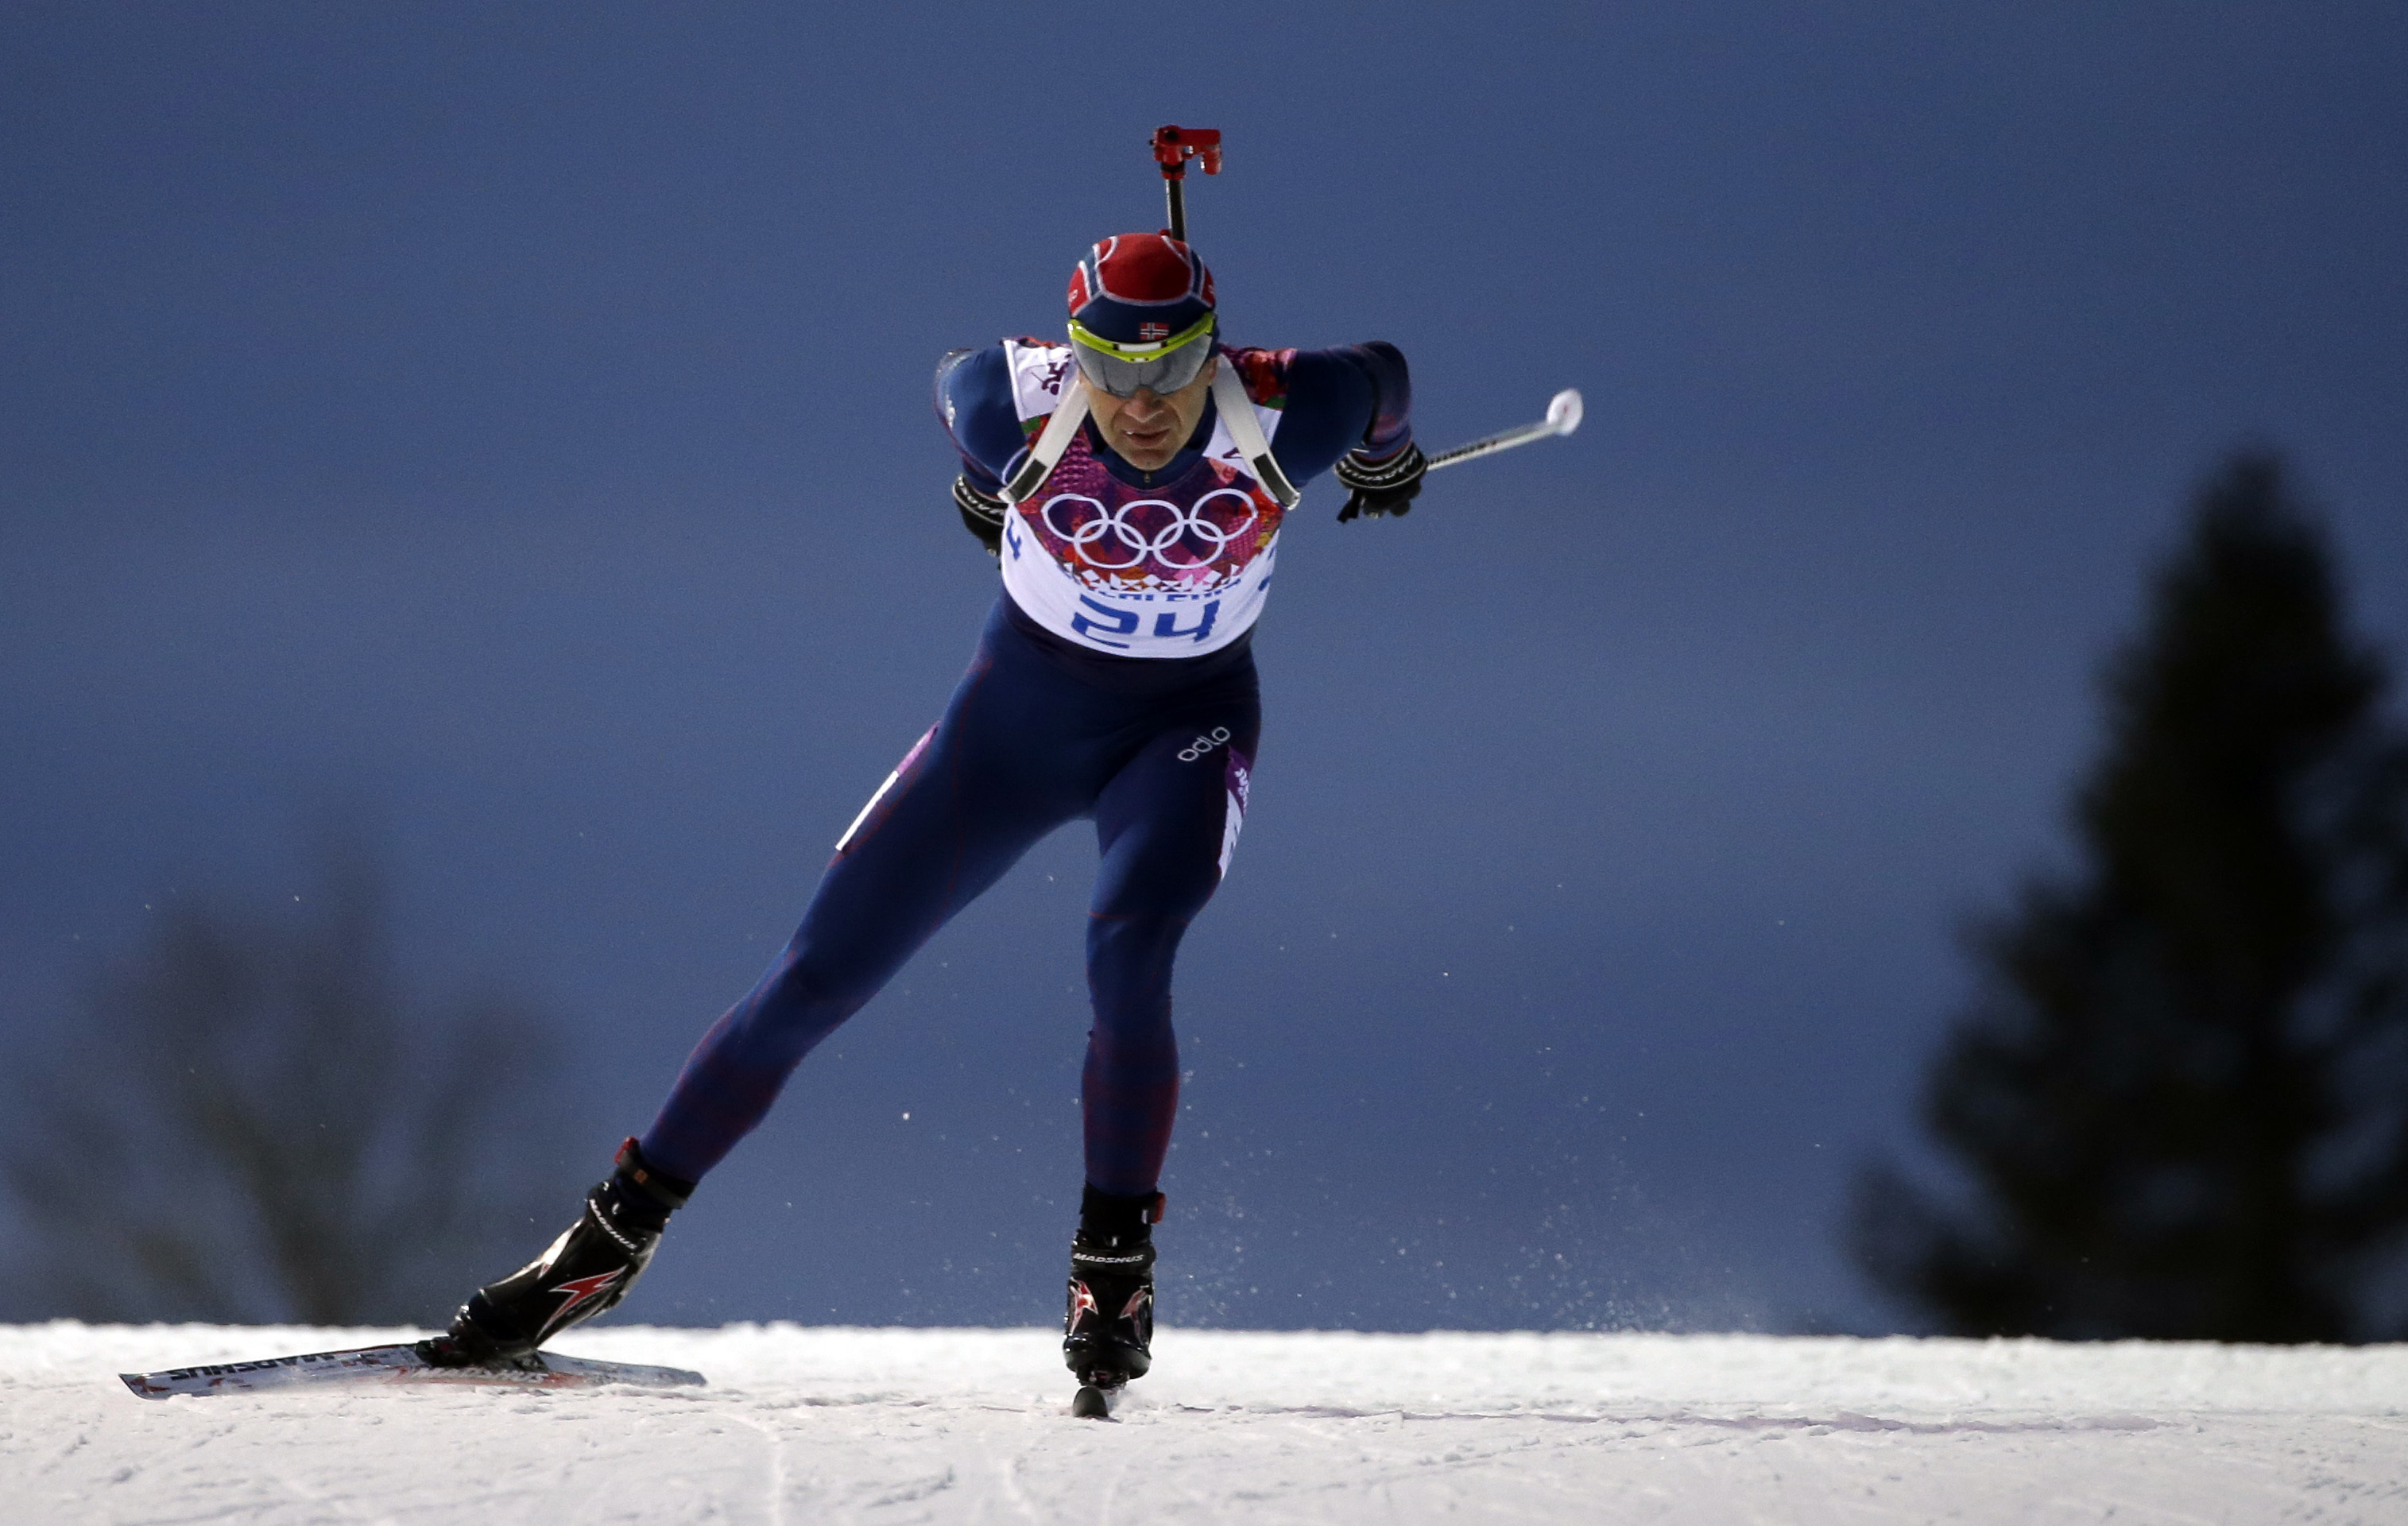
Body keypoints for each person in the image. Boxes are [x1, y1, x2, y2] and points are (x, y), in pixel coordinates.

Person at [420, 231, 1426, 1396]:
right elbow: (955, 374)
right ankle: (598, 1250)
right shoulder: (1012, 405)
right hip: (1009, 735)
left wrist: (1384, 455)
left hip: (1182, 733)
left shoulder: (1295, 410)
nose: (1143, 403)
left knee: (1127, 948)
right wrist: (980, 474)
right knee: (813, 979)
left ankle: (1112, 1263)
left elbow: (1383, 371)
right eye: (1113, 368)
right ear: (1071, 353)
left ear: (1217, 351)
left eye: (1173, 369)